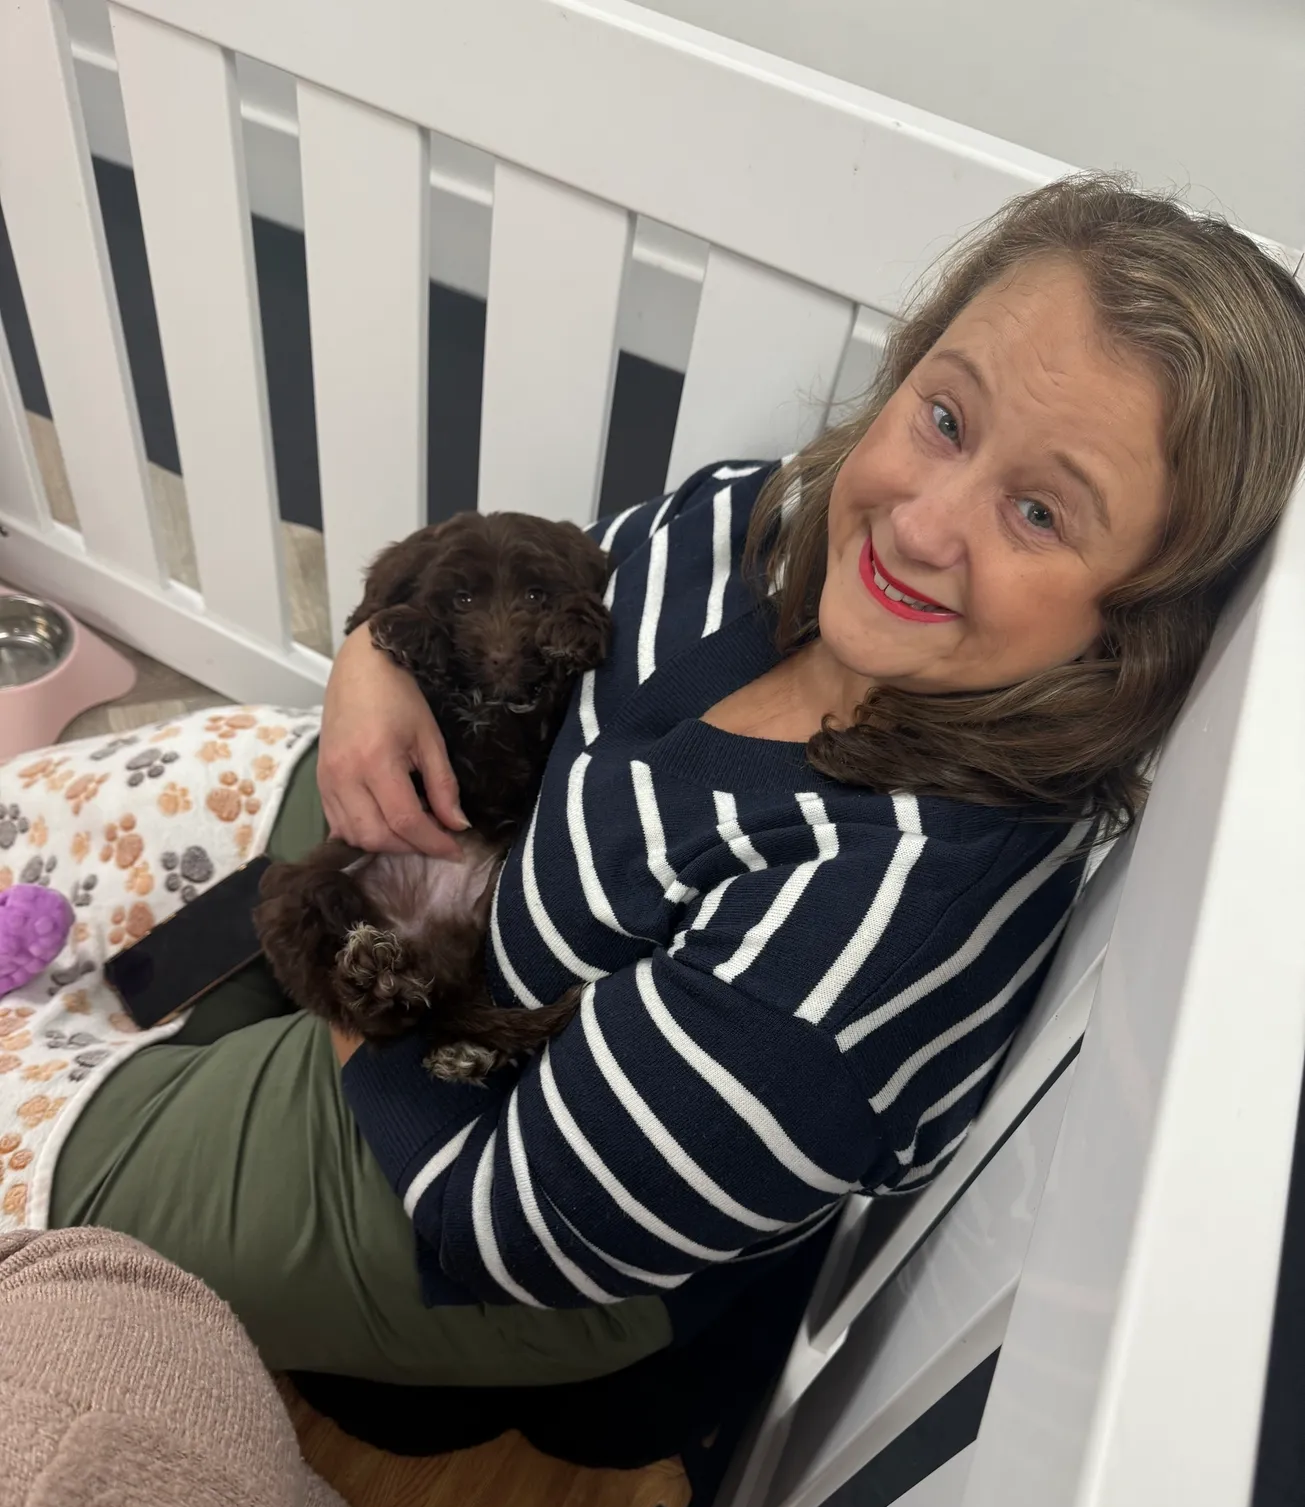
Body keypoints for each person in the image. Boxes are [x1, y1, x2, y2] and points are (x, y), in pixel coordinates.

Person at [44, 175, 1305, 1385]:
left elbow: (521, 1222)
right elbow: (543, 593)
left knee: (42, 1198)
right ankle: (141, 994)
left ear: (1133, 624)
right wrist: (377, 651)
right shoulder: (750, 529)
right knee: (77, 856)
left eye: (1040, 515)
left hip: (458, 1163)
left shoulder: (860, 945)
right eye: (944, 417)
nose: (920, 524)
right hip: (463, 857)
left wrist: (354, 998)